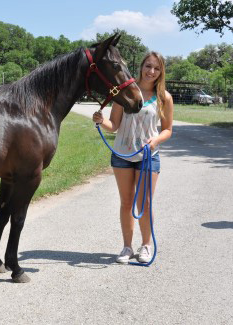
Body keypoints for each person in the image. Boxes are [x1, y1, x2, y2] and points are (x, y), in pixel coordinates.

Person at [92, 51, 174, 263]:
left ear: (161, 71)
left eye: (156, 68)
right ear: (141, 66)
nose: (151, 71)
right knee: (126, 202)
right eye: (148, 66)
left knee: (144, 202)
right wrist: (101, 121)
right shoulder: (125, 91)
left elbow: (167, 130)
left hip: (148, 155)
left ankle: (146, 246)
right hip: (122, 154)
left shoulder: (164, 97)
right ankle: (127, 248)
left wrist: (155, 141)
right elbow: (114, 125)